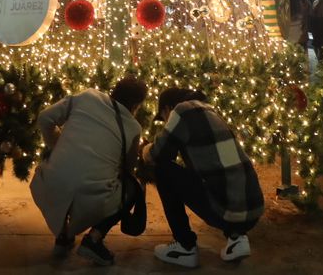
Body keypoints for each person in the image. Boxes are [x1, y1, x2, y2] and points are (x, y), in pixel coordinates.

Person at [31, 77, 147, 266]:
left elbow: (45, 117)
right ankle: (94, 239)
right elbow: (128, 169)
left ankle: (63, 236)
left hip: (50, 186)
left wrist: (57, 145)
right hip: (91, 198)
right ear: (136, 105)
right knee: (131, 187)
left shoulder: (87, 96)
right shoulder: (133, 127)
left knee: (70, 176)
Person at [146, 87, 261, 267]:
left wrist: (143, 149)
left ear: (168, 108)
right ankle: (237, 239)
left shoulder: (182, 111)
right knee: (217, 176)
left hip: (224, 210)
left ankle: (185, 246)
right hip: (253, 208)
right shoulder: (208, 110)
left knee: (163, 170)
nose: (166, 122)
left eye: (163, 117)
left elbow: (158, 154)